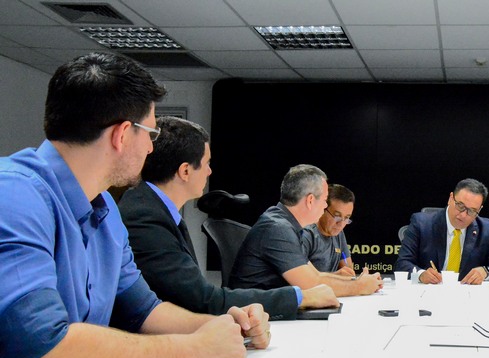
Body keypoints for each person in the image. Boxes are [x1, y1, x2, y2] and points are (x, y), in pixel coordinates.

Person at [0, 53, 268, 358]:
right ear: (123, 135)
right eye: (151, 132)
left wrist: (227, 325)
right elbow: (43, 354)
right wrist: (193, 347)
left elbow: (144, 309)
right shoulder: (15, 196)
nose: (151, 146)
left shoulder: (104, 206)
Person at [118, 116, 339, 321]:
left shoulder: (155, 209)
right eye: (206, 164)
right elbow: (202, 301)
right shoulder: (146, 217)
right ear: (185, 171)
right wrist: (301, 298)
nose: (210, 172)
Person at [229, 164, 382, 296]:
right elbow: (311, 284)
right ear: (310, 201)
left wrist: (353, 280)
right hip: (253, 316)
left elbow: (315, 275)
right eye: (324, 201)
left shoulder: (286, 224)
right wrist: (360, 286)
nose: (324, 207)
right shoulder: (277, 228)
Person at [395, 178, 489, 284]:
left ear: (479, 209)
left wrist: (485, 272)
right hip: (428, 293)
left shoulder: (488, 229)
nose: (463, 215)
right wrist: (421, 274)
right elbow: (402, 264)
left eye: (472, 211)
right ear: (450, 198)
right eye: (460, 206)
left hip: (468, 296)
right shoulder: (421, 223)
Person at [302, 183, 356, 276]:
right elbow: (301, 279)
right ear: (322, 209)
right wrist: (336, 277)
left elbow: (348, 272)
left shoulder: (338, 232)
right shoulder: (306, 234)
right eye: (337, 216)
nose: (341, 224)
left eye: (347, 218)